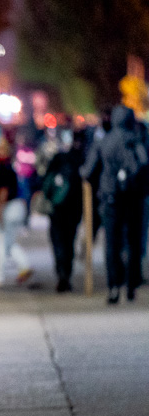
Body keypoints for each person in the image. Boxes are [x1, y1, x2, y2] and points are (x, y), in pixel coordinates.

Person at [81, 105, 147, 303]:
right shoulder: (135, 140)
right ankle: (131, 284)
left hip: (111, 198)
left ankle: (113, 286)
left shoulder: (104, 141)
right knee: (133, 242)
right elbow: (144, 163)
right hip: (133, 197)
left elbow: (88, 171)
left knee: (112, 243)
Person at [43, 130, 86, 292]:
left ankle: (61, 272)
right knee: (69, 242)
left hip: (58, 208)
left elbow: (46, 179)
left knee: (58, 241)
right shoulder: (81, 160)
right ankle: (65, 273)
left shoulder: (59, 158)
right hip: (73, 209)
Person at [0, 138, 32, 287]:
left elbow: (3, 192)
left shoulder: (2, 169)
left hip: (8, 209)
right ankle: (24, 266)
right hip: (17, 208)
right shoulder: (10, 167)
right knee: (9, 243)